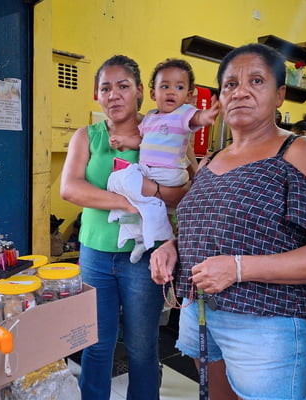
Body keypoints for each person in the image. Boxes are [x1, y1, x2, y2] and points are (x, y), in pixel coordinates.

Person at [150, 43, 306, 400]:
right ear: (218, 98)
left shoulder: (301, 152)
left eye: (256, 81)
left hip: (268, 323)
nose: (240, 92)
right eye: (230, 85)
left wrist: (239, 268)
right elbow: (210, 225)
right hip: (201, 312)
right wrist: (173, 247)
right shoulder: (212, 159)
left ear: (279, 95)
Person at [60, 55, 189, 400]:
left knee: (142, 346)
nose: (113, 95)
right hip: (94, 255)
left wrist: (152, 193)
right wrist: (127, 203)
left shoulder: (163, 131)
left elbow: (184, 192)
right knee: (97, 343)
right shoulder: (87, 137)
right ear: (96, 96)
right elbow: (70, 188)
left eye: (123, 86)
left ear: (139, 94)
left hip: (146, 258)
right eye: (105, 88)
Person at [107, 58, 219, 263]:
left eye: (179, 87)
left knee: (123, 180)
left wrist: (207, 115)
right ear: (153, 93)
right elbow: (141, 140)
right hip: (148, 170)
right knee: (127, 188)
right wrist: (123, 140)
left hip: (168, 172)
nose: (171, 92)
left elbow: (198, 119)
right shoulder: (150, 116)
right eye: (164, 86)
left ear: (188, 95)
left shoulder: (183, 113)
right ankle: (142, 238)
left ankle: (154, 230)